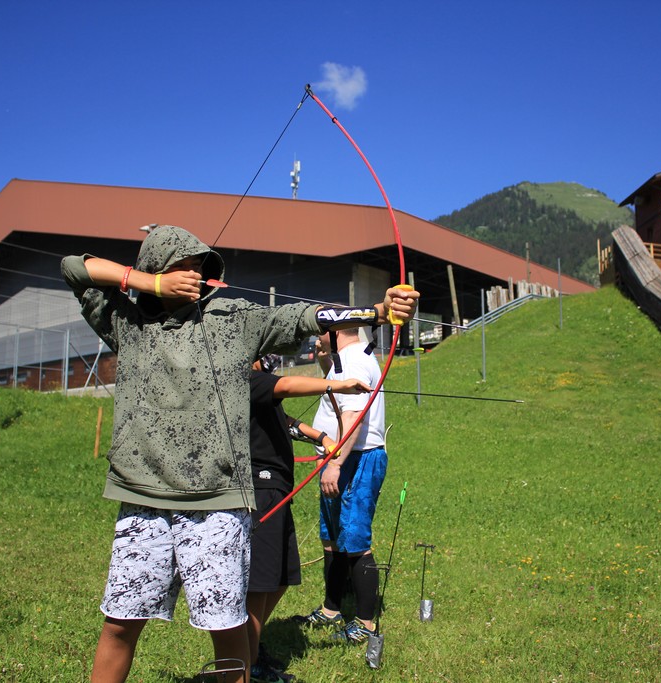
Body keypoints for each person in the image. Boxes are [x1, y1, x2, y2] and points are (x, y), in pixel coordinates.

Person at [60, 225, 418, 683]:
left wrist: (377, 311)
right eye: (181, 266)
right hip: (143, 499)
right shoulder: (127, 324)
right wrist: (148, 285)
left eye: (198, 267)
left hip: (218, 505)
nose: (192, 275)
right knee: (120, 625)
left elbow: (303, 317)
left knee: (229, 631)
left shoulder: (231, 320)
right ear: (154, 268)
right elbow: (74, 268)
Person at [246, 353, 371, 683]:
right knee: (259, 586)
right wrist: (338, 383)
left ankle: (250, 645)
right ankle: (248, 662)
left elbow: (283, 420)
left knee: (281, 579)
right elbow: (286, 385)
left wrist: (322, 437)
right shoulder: (245, 378)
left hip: (277, 490)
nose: (267, 357)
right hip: (260, 491)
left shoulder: (260, 389)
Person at [294, 327, 388, 644]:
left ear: (334, 333)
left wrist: (334, 463)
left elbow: (353, 415)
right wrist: (326, 359)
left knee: (355, 539)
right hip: (344, 459)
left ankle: (365, 624)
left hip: (355, 460)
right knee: (332, 538)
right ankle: (332, 609)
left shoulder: (353, 360)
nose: (314, 335)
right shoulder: (346, 356)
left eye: (320, 330)